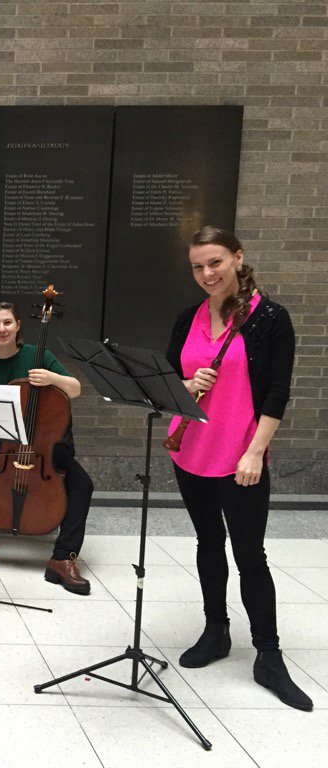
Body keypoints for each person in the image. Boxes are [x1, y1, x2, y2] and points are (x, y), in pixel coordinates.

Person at [166, 226, 312, 711]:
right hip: (192, 452)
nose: (206, 274)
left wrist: (255, 452)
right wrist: (187, 383)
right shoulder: (188, 317)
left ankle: (268, 655)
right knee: (208, 543)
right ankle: (216, 631)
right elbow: (170, 379)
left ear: (237, 258)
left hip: (240, 456)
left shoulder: (269, 317)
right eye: (197, 266)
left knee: (251, 556)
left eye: (215, 263)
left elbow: (277, 390)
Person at [0, 301, 93, 594]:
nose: (1, 329)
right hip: (0, 444)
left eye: (7, 323)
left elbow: (75, 389)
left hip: (45, 445)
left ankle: (64, 558)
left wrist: (52, 379)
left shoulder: (37, 356)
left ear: (18, 327)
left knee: (83, 484)